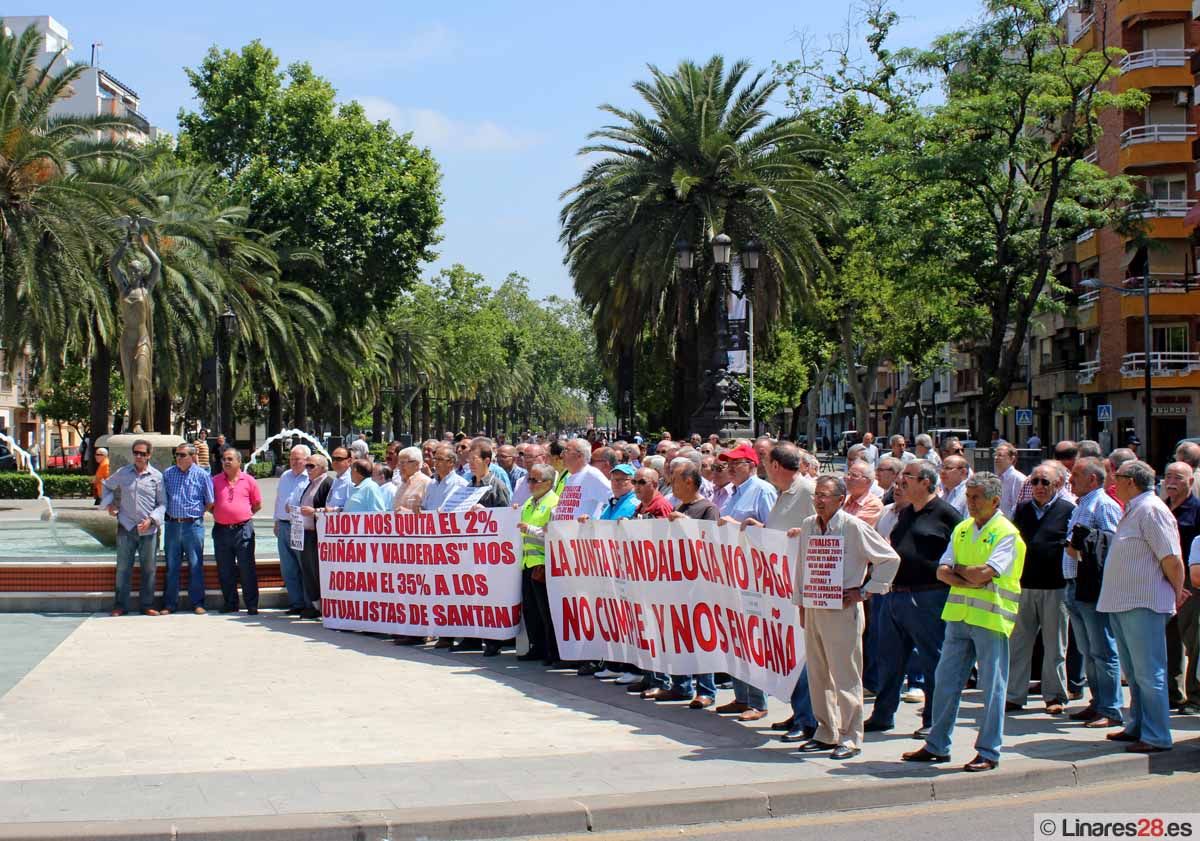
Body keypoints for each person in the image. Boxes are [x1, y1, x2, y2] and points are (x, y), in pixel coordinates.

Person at [903, 472, 1026, 772]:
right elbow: (941, 571)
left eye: (976, 498)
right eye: (968, 497)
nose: (969, 503)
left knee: (992, 687)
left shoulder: (1006, 532)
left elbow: (985, 573)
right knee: (945, 682)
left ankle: (989, 750)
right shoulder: (962, 529)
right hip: (958, 616)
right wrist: (966, 574)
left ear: (995, 500)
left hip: (990, 617)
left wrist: (962, 574)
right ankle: (938, 744)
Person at [791, 474, 900, 759]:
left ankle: (850, 736)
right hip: (814, 607)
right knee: (817, 674)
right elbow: (802, 566)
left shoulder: (853, 526)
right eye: (816, 495)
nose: (819, 500)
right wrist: (801, 604)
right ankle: (825, 731)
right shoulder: (808, 526)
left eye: (825, 495)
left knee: (845, 675)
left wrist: (865, 591)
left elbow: (889, 559)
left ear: (841, 499)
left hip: (842, 610)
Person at [865, 460, 962, 737]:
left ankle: (933, 720)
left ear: (926, 482)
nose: (902, 480)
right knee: (889, 659)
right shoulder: (906, 513)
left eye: (909, 476)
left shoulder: (946, 514)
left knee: (933, 661)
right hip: (895, 595)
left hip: (928, 597)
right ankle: (883, 715)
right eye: (902, 475)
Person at [1099, 460, 1186, 753]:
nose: (1113, 480)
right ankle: (1137, 725)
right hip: (1125, 603)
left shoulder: (1151, 510)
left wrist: (1176, 592)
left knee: (1149, 672)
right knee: (1135, 673)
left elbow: (1171, 557)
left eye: (1118, 476)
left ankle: (1157, 734)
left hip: (1143, 602)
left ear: (1131, 482)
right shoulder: (1135, 508)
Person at [713, 442, 778, 720]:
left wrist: (751, 528)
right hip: (731, 574)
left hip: (753, 575)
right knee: (735, 636)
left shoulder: (762, 491)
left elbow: (773, 532)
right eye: (727, 464)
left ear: (751, 466)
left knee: (752, 638)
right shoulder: (732, 493)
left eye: (735, 464)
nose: (729, 468)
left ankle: (758, 701)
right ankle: (741, 696)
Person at [1007, 462, 1075, 714]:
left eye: (1044, 482)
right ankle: (1014, 694)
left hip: (1055, 586)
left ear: (1058, 484)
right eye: (1034, 482)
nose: (1038, 487)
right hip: (1024, 585)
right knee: (1019, 644)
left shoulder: (1068, 509)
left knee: (1055, 645)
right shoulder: (1022, 509)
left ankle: (1054, 695)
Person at [1062, 456, 1124, 727]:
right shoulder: (1081, 504)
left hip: (1092, 588)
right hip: (1074, 585)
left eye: (1075, 474)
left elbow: (1111, 545)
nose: (1070, 478)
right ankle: (1097, 702)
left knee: (1103, 650)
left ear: (1093, 479)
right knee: (1088, 650)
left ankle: (1111, 709)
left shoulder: (1104, 505)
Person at [101, 438, 165, 617]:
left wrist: (152, 520)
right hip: (126, 527)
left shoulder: (157, 477)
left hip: (149, 530)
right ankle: (120, 605)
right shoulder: (123, 472)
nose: (138, 456)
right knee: (122, 568)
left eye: (142, 453)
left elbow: (162, 504)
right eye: (136, 453)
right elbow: (106, 486)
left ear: (149, 455)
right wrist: (110, 505)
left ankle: (147, 605)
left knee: (149, 568)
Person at [1163, 461, 1200, 714]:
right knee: (1169, 640)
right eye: (1168, 476)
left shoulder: (1197, 510)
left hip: (1190, 581)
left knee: (1193, 639)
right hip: (1164, 579)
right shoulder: (1163, 508)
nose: (1171, 481)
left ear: (1191, 482)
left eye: (1178, 477)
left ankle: (1195, 697)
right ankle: (1173, 694)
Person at [162, 442, 215, 615]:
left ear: (192, 457)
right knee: (172, 565)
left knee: (195, 564)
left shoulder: (202, 475)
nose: (178, 458)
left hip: (193, 526)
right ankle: (170, 604)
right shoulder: (168, 474)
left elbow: (210, 501)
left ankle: (197, 602)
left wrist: (194, 514)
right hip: (172, 525)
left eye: (182, 455)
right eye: (176, 454)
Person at [516, 464, 560, 665]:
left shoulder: (554, 504)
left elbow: (553, 533)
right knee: (531, 610)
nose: (531, 484)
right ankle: (537, 646)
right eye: (529, 480)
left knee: (546, 611)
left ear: (549, 483)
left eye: (536, 480)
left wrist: (530, 529)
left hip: (543, 563)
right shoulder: (528, 502)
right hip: (526, 562)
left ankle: (552, 651)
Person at [211, 447, 263, 614]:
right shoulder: (215, 481)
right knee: (225, 569)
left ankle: (252, 604)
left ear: (239, 462)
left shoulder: (249, 481)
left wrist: (241, 516)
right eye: (224, 459)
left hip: (243, 530)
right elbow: (210, 505)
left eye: (230, 459)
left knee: (247, 568)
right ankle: (230, 603)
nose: (226, 462)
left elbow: (257, 505)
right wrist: (223, 514)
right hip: (221, 530)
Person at [295, 454, 335, 618]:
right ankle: (315, 605)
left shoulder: (327, 484)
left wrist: (314, 512)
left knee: (318, 571)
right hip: (306, 533)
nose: (308, 469)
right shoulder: (310, 484)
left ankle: (323, 607)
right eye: (307, 466)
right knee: (309, 571)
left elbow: (331, 509)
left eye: (311, 466)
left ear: (322, 468)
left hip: (318, 535)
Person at [274, 445, 311, 615]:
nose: (294, 462)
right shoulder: (285, 476)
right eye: (291, 458)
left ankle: (309, 604)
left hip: (300, 526)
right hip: (283, 525)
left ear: (306, 460)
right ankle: (296, 602)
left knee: (304, 567)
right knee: (288, 567)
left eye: (298, 459)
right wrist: (276, 521)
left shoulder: (309, 477)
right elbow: (279, 499)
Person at [422, 444, 467, 512]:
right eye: (435, 459)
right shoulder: (431, 483)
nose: (436, 462)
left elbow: (462, 511)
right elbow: (425, 507)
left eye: (440, 459)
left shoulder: (461, 485)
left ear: (451, 462)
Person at [843, 460, 884, 527]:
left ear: (867, 481)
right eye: (848, 474)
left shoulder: (874, 505)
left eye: (854, 475)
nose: (848, 478)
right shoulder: (845, 499)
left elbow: (852, 527)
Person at [994, 443, 1026, 519]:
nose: (996, 458)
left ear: (1012, 459)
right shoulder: (995, 478)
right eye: (995, 455)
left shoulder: (1019, 479)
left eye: (1000, 455)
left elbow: (1018, 508)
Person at [325, 447, 354, 512]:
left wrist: (333, 510)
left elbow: (352, 509)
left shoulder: (350, 481)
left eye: (339, 459)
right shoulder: (337, 479)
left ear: (349, 461)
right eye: (333, 459)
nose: (335, 462)